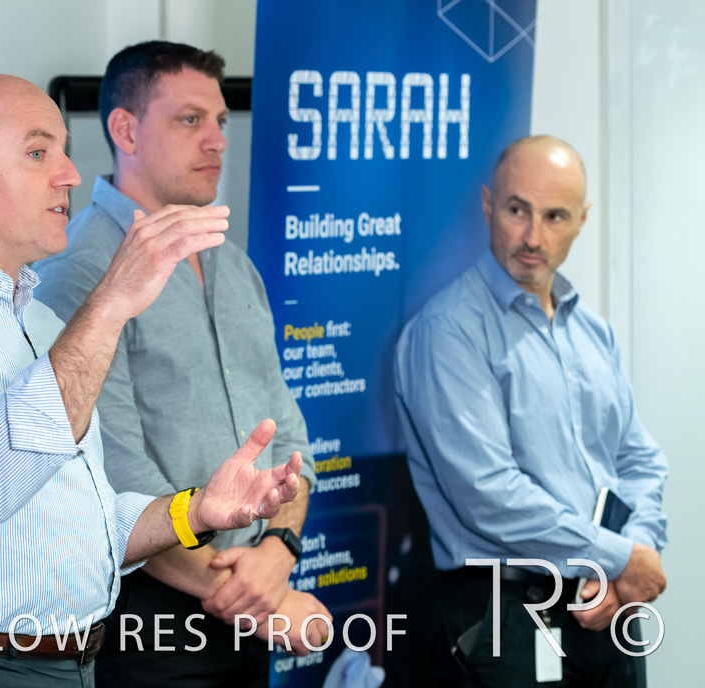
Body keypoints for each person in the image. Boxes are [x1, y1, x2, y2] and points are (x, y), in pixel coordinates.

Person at [0, 72, 305, 688]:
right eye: (36, 152)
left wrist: (196, 510)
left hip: (59, 665)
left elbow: (90, 526)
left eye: (64, 152)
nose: (71, 175)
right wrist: (110, 303)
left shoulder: (40, 320)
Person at [33, 41, 328, 687]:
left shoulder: (235, 264)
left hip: (250, 607)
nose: (217, 139)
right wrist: (261, 600)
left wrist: (279, 551)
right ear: (125, 130)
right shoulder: (81, 273)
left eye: (219, 120)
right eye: (190, 120)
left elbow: (291, 440)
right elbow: (113, 481)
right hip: (149, 628)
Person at [394, 135, 668, 687]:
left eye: (555, 216)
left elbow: (639, 460)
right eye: (517, 210)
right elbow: (488, 494)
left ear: (582, 219)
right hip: (505, 617)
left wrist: (634, 554)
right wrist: (619, 558)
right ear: (488, 204)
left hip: (607, 607)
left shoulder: (592, 331)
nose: (532, 237)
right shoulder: (448, 331)